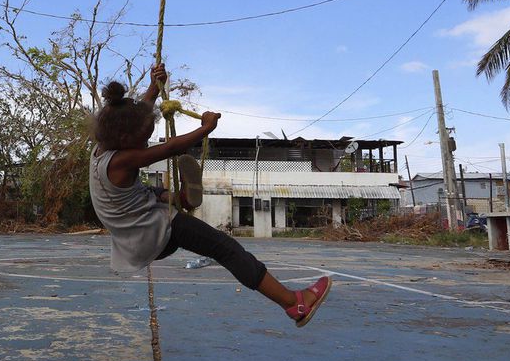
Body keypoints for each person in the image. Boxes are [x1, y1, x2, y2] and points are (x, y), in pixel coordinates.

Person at [89, 63, 332, 327]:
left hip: (134, 229)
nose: (147, 142)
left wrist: (152, 87)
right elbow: (170, 147)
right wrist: (206, 129)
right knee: (224, 248)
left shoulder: (104, 146)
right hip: (152, 232)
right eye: (144, 139)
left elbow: (136, 115)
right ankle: (293, 303)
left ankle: (178, 197)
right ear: (125, 140)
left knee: (150, 191)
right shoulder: (122, 161)